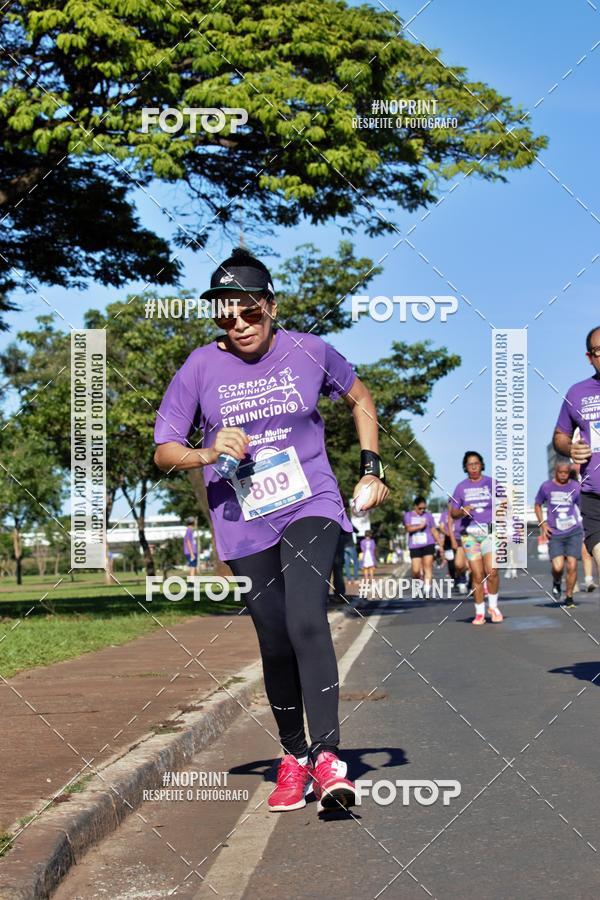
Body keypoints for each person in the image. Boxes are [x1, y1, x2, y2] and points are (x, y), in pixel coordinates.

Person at [154, 247, 389, 814]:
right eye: (224, 315)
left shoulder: (310, 351)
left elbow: (361, 398)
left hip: (311, 498)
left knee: (307, 616)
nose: (237, 325)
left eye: (248, 313)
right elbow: (164, 451)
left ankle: (329, 757)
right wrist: (205, 451)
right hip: (242, 517)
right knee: (274, 635)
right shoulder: (199, 368)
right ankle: (293, 757)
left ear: (270, 306)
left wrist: (371, 466)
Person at [553, 325, 600, 577]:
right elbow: (559, 436)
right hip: (595, 500)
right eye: (599, 351)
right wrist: (570, 447)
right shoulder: (577, 393)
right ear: (589, 357)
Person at [450, 451, 502, 625]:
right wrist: (462, 511)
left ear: (481, 465)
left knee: (492, 571)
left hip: (490, 533)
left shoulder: (491, 483)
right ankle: (479, 612)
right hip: (470, 536)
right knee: (477, 575)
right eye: (470, 464)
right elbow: (453, 513)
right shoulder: (460, 487)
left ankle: (493, 607)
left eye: (476, 463)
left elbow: (505, 503)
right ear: (465, 467)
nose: (473, 467)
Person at [534, 462, 583, 608]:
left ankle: (569, 597)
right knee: (558, 567)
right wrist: (543, 524)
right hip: (554, 532)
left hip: (573, 530)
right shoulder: (546, 486)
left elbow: (582, 507)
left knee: (572, 566)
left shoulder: (575, 487)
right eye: (560, 472)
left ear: (569, 473)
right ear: (555, 472)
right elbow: (537, 504)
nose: (563, 475)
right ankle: (556, 582)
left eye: (566, 473)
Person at [403, 496, 442, 598]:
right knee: (416, 571)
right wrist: (420, 527)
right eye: (420, 508)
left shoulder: (428, 516)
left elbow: (433, 530)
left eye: (424, 508)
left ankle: (427, 590)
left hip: (428, 544)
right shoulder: (408, 515)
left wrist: (440, 545)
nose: (422, 510)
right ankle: (419, 584)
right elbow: (408, 529)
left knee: (427, 567)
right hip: (414, 545)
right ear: (415, 506)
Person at [438, 506, 467, 594]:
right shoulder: (444, 514)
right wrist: (449, 534)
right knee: (451, 563)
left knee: (461, 563)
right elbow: (441, 527)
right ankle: (455, 579)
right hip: (448, 541)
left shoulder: (461, 512)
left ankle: (463, 579)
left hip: (460, 539)